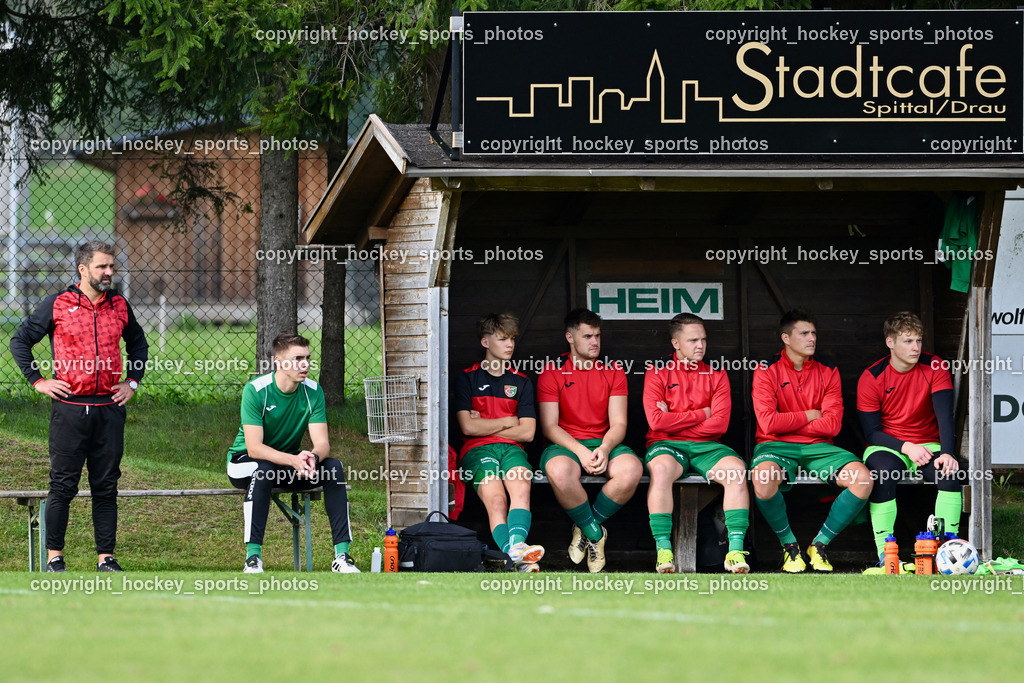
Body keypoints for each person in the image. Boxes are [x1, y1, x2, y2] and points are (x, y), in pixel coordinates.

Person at [10, 240, 149, 573]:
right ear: (83, 269)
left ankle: (106, 559)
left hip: (109, 409)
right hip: (70, 410)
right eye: (102, 266)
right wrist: (38, 381)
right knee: (62, 486)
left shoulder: (119, 304)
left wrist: (132, 382)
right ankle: (54, 558)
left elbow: (139, 344)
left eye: (112, 266)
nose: (109, 272)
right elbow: (20, 341)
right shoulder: (58, 303)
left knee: (106, 486)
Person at [751, 309, 872, 572]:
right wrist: (808, 415)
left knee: (862, 479)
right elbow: (768, 423)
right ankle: (790, 547)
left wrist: (788, 423)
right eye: (804, 333)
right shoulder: (766, 370)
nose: (811, 338)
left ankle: (819, 545)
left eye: (814, 333)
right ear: (786, 338)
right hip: (776, 445)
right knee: (762, 479)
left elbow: (833, 425)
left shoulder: (828, 371)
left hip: (820, 448)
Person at [226, 333, 358, 573]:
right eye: (298, 359)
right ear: (278, 361)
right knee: (263, 470)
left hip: (288, 464)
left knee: (333, 467)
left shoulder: (313, 391)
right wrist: (294, 460)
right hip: (244, 462)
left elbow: (323, 444)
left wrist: (313, 458)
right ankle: (253, 559)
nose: (305, 364)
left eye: (307, 358)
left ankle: (342, 556)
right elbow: (254, 448)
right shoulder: (255, 390)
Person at [643, 314, 750, 574]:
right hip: (667, 444)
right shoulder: (657, 372)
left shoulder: (717, 374)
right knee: (661, 470)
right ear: (676, 343)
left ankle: (735, 552)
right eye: (693, 340)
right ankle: (663, 550)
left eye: (703, 339)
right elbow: (656, 422)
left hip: (707, 446)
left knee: (737, 471)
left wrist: (674, 419)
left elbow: (720, 424)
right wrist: (703, 413)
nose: (700, 345)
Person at [537, 308, 642, 573]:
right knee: (560, 472)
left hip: (604, 441)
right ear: (570, 337)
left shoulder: (614, 371)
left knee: (632, 470)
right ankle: (595, 534)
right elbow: (549, 426)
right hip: (565, 444)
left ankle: (584, 526)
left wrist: (605, 448)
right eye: (587, 336)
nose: (594, 342)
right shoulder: (552, 372)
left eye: (597, 336)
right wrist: (581, 451)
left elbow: (619, 424)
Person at [857, 312, 964, 565]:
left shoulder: (935, 366)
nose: (916, 347)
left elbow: (945, 417)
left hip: (929, 443)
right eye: (908, 341)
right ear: (890, 342)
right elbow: (872, 433)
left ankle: (949, 553)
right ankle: (885, 555)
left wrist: (947, 452)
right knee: (883, 474)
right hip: (887, 445)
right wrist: (906, 447)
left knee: (949, 473)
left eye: (918, 340)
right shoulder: (871, 377)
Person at [454, 313, 543, 572]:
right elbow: (467, 427)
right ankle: (518, 553)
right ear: (485, 342)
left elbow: (528, 433)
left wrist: (485, 425)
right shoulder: (466, 378)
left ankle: (515, 551)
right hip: (477, 449)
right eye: (503, 339)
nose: (510, 344)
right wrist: (508, 420)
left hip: (512, 449)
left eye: (512, 339)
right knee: (496, 500)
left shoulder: (521, 381)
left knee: (521, 487)